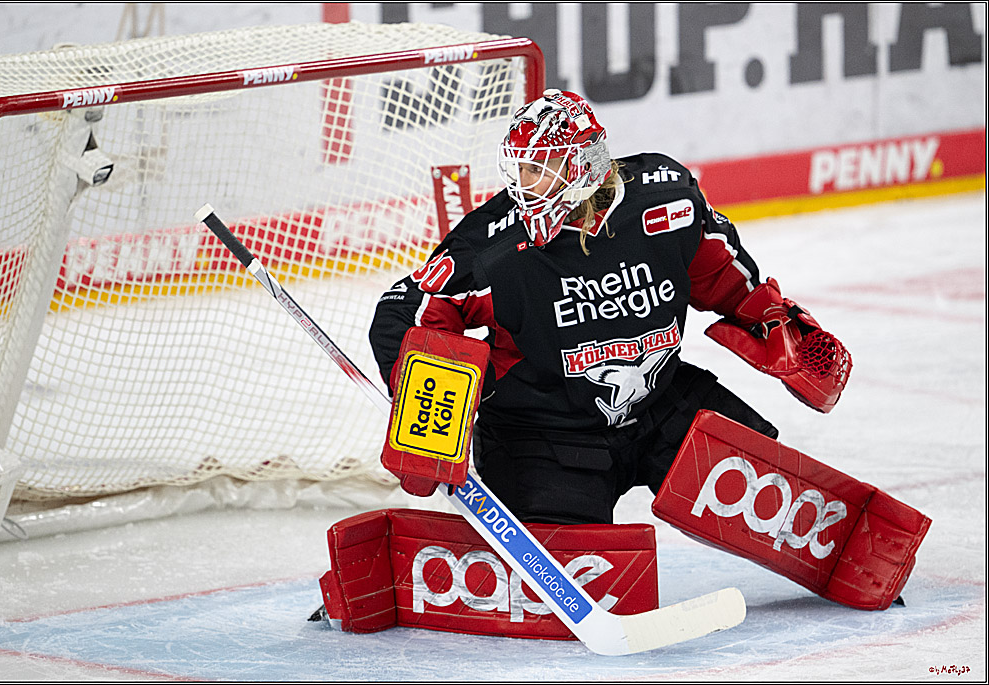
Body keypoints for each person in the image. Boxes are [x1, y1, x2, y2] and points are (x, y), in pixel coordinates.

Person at [368, 88, 928, 612]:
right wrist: (425, 417)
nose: (525, 186)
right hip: (543, 431)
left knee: (769, 481)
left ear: (583, 166)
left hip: (662, 404)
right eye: (520, 171)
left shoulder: (667, 200)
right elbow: (406, 312)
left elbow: (728, 278)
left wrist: (778, 326)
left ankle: (858, 566)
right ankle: (401, 572)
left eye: (540, 169)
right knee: (559, 578)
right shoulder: (492, 246)